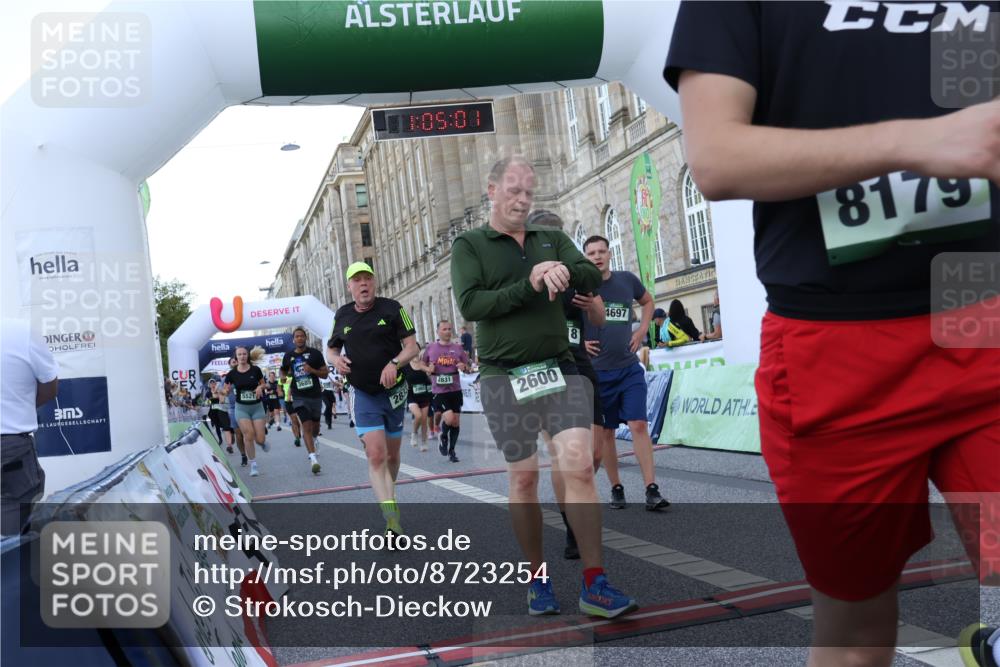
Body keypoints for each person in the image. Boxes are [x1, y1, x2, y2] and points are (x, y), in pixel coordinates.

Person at [666, 3, 1000, 665]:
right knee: (858, 628)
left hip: (981, 305)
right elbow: (715, 157)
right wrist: (918, 143)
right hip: (835, 337)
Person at [451, 155, 637, 619]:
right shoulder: (469, 244)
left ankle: (595, 582)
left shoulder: (550, 237)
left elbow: (595, 277)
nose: (522, 199)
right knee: (525, 477)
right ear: (491, 191)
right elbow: (472, 304)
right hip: (501, 374)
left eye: (528, 191)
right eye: (513, 190)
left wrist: (564, 270)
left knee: (577, 467)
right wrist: (531, 282)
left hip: (559, 368)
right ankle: (537, 578)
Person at [528, 209, 608, 561]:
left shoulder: (576, 272)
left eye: (559, 238)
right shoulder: (526, 276)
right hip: (545, 367)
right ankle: (573, 529)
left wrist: (590, 304)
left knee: (593, 453)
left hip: (578, 363)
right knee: (565, 457)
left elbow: (601, 318)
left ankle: (578, 502)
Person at [328, 261, 419, 538]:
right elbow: (331, 349)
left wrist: (394, 363)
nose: (363, 284)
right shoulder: (342, 315)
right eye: (357, 280)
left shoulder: (392, 308)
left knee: (392, 455)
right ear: (350, 286)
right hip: (362, 392)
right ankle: (391, 517)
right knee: (376, 454)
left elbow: (412, 347)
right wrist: (336, 361)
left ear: (374, 282)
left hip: (393, 393)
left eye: (367, 278)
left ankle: (390, 495)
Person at [582, 235, 669, 512]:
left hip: (628, 368)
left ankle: (651, 489)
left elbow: (647, 301)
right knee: (606, 433)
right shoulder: (580, 287)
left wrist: (643, 329)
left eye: (602, 251)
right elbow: (564, 321)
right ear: (586, 258)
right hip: (598, 373)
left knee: (638, 425)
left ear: (610, 254)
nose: (597, 256)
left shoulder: (626, 280)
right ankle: (616, 487)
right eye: (592, 253)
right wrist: (579, 343)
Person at [1, 319, 58, 536]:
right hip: (11, 446)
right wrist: (17, 408)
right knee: (13, 539)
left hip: (12, 450)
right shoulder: (21, 332)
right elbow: (50, 387)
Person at [281, 327, 328, 475]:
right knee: (306, 426)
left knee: (315, 426)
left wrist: (312, 371)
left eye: (302, 336)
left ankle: (315, 439)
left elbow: (325, 374)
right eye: (297, 337)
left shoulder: (315, 354)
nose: (299, 338)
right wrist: (283, 376)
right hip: (299, 396)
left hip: (315, 395)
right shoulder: (288, 356)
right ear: (293, 340)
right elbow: (283, 370)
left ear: (305, 338)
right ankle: (313, 459)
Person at [422, 320, 471, 463]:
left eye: (450, 329)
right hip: (439, 390)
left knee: (455, 423)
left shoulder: (458, 348)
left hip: (455, 390)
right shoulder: (431, 348)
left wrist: (464, 367)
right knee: (449, 419)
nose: (448, 331)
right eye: (444, 329)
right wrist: (428, 369)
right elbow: (420, 363)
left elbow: (468, 366)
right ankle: (443, 435)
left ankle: (452, 451)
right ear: (438, 331)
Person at [222, 346, 268, 477]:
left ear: (247, 356)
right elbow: (226, 390)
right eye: (239, 354)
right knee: (248, 435)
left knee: (259, 438)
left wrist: (260, 387)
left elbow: (264, 384)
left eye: (244, 354)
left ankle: (261, 443)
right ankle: (253, 464)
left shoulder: (255, 370)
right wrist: (224, 391)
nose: (242, 356)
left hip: (257, 406)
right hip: (241, 408)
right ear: (236, 357)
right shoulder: (232, 374)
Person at [402, 356, 433, 452]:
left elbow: (430, 373)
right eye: (413, 353)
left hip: (424, 395)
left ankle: (424, 442)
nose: (415, 355)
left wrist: (431, 365)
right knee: (418, 416)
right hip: (412, 396)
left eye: (417, 353)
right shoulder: (405, 366)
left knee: (424, 421)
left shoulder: (423, 365)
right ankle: (414, 433)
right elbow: (400, 378)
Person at [207, 379, 235, 451]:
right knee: (221, 426)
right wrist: (211, 399)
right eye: (211, 383)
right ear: (209, 384)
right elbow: (208, 400)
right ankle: (225, 443)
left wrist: (218, 391)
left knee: (229, 426)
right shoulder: (208, 392)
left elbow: (221, 398)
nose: (212, 384)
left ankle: (232, 434)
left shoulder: (220, 387)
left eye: (213, 382)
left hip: (227, 408)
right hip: (215, 411)